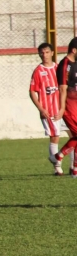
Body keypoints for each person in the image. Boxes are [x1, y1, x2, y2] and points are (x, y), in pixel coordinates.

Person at [30, 42, 66, 175]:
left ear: (52, 53)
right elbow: (32, 91)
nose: (44, 55)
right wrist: (41, 108)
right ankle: (57, 167)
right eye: (42, 52)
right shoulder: (38, 71)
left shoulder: (58, 68)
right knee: (55, 136)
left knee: (73, 135)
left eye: (46, 52)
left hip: (63, 109)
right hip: (49, 110)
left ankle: (73, 166)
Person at [53, 38, 77, 176]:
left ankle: (74, 169)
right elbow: (63, 89)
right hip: (68, 104)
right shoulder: (65, 65)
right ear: (74, 50)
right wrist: (62, 108)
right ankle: (60, 155)